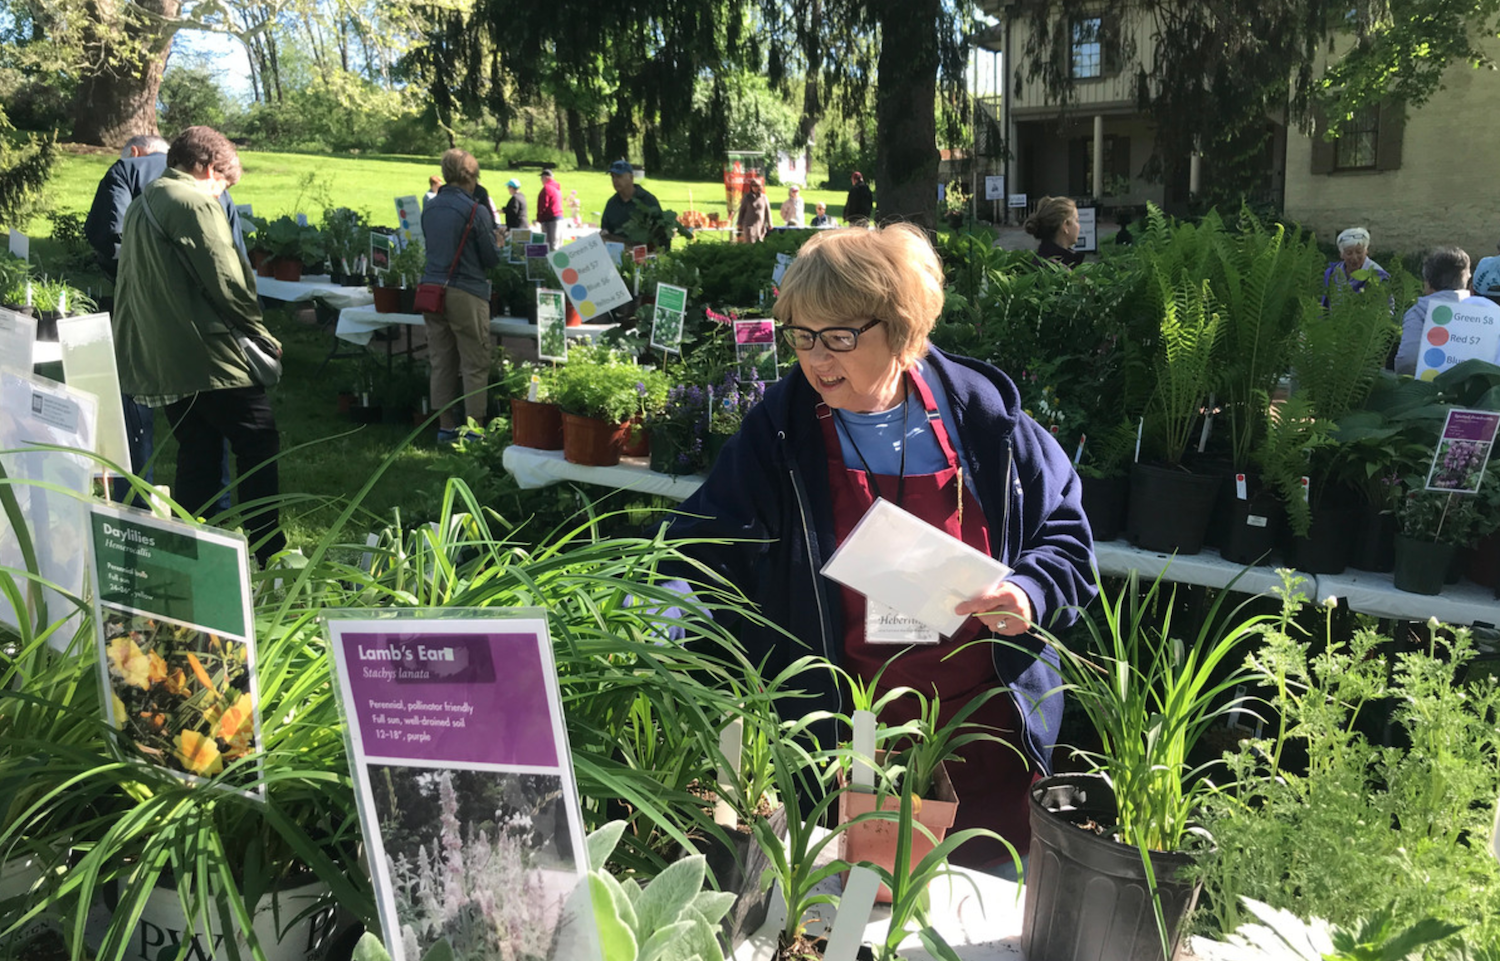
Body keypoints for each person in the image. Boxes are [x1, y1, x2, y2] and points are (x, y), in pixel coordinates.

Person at [666, 224, 1097, 873]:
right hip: (846, 749)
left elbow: (1067, 540)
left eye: (838, 336)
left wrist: (1028, 592)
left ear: (901, 328)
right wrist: (665, 605)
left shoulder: (987, 424)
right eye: (801, 335)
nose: (815, 358)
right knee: (851, 921)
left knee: (974, 919)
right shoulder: (780, 434)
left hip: (986, 749)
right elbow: (704, 542)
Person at [112, 126, 286, 566]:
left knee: (199, 449)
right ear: (208, 168)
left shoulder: (143, 201)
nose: (221, 195)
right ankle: (268, 550)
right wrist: (259, 332)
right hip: (208, 356)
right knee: (258, 440)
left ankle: (192, 551)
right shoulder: (191, 201)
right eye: (223, 185)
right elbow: (227, 277)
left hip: (162, 354)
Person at [84, 133, 239, 510]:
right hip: (202, 326)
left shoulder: (124, 170)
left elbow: (106, 234)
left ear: (136, 151)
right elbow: (233, 254)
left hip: (141, 315)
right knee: (203, 428)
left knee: (134, 418)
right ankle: (211, 516)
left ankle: (133, 508)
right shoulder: (211, 184)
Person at [420, 149, 504, 442]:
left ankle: (445, 426)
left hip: (431, 291)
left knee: (441, 360)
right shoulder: (475, 210)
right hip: (466, 291)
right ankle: (474, 428)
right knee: (474, 360)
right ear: (472, 177)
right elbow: (491, 259)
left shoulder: (430, 207)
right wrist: (499, 241)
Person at [1395, 246, 1472, 376]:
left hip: (1428, 391)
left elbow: (1408, 360)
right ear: (1467, 281)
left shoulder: (1418, 313)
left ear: (1428, 283)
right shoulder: (1487, 312)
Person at [599, 159, 663, 244]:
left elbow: (661, 232)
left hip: (643, 251)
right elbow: (605, 229)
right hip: (616, 250)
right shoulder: (612, 203)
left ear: (631, 178)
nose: (615, 180)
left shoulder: (647, 200)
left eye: (619, 176)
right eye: (612, 177)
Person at [1322, 227, 1389, 306]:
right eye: (1349, 253)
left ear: (1366, 251)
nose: (1354, 257)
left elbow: (1387, 309)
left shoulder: (1379, 275)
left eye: (1359, 252)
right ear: (1341, 254)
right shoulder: (1332, 273)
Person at [1023, 196, 1084, 268]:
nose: (1079, 226)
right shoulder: (1054, 268)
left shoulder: (1043, 259)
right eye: (1076, 220)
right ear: (1065, 226)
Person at [735, 178, 771, 244]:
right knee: (750, 242)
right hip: (749, 224)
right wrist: (739, 223)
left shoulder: (764, 198)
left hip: (760, 225)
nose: (755, 188)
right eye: (753, 186)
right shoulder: (747, 198)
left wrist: (770, 223)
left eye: (757, 186)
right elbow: (741, 211)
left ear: (760, 187)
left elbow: (767, 211)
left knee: (759, 242)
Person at [536, 168, 563, 251]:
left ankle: (551, 263)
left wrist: (539, 219)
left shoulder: (547, 189)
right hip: (559, 217)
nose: (541, 180)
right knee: (558, 244)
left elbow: (543, 205)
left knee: (551, 245)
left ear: (546, 178)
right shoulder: (557, 188)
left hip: (550, 219)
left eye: (542, 178)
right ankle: (561, 262)